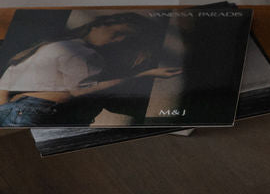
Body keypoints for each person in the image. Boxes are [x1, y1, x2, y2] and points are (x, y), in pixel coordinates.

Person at [0, 11, 178, 127]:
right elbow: (82, 91)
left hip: (17, 111)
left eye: (127, 38)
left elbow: (5, 82)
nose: (119, 40)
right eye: (117, 33)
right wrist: (145, 74)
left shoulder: (56, 45)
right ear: (98, 25)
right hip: (40, 112)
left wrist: (9, 109)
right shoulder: (84, 52)